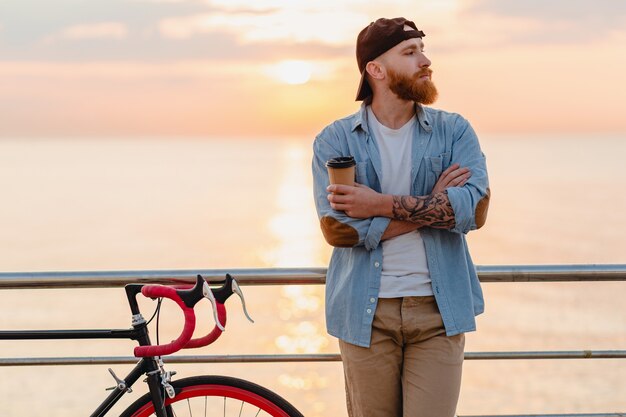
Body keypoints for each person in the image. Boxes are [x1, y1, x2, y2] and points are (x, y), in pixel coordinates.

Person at [311, 17, 491, 417]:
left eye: (423, 51)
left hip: (439, 312)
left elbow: (474, 209)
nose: (425, 61)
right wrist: (433, 204)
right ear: (375, 69)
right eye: (410, 53)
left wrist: (378, 204)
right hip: (365, 313)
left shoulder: (454, 131)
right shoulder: (335, 140)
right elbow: (339, 230)